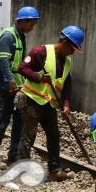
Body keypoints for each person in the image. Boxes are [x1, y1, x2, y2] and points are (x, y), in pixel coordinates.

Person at [16, 26, 84, 182]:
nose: (73, 52)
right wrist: (39, 78)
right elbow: (22, 68)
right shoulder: (40, 52)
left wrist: (66, 103)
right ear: (64, 42)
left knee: (54, 135)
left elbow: (67, 84)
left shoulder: (68, 62)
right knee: (29, 135)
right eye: (72, 48)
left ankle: (54, 170)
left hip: (49, 104)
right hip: (32, 100)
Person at [0, 6, 39, 162]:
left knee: (19, 121)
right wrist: (11, 82)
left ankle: (14, 155)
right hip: (7, 86)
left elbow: (20, 63)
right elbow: (4, 61)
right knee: (2, 121)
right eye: (31, 24)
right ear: (23, 21)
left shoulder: (21, 36)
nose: (32, 27)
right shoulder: (8, 36)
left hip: (17, 86)